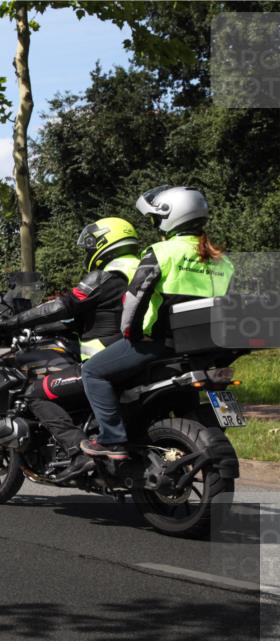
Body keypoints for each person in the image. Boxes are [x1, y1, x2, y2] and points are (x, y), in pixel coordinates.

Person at [80, 186, 234, 459]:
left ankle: (111, 440)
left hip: (162, 343)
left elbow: (135, 298)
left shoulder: (161, 252)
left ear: (170, 217)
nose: (154, 224)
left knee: (93, 372)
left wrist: (133, 333)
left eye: (154, 219)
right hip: (204, 349)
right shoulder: (222, 260)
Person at [0, 218, 141, 481]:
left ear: (103, 243)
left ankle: (77, 451)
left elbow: (63, 306)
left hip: (104, 362)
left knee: (35, 392)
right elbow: (99, 314)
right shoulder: (143, 269)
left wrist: (12, 322)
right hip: (139, 357)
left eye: (90, 246)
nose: (88, 253)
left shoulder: (108, 276)